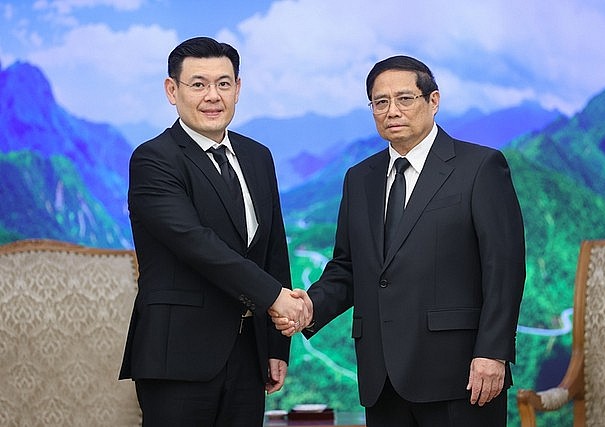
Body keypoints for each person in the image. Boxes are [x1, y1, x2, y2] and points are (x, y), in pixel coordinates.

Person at [273, 55, 526, 426]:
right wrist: (310, 306)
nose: (392, 111)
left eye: (405, 99)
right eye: (380, 102)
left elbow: (504, 269)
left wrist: (493, 353)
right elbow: (347, 268)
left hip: (461, 376)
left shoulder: (480, 167)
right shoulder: (360, 179)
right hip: (382, 378)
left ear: (433, 101)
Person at [119, 37, 309, 426]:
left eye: (223, 83)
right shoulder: (154, 159)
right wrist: (277, 298)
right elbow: (197, 244)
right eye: (198, 84)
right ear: (172, 90)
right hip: (178, 358)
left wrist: (277, 344)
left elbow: (273, 248)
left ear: (238, 89)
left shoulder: (258, 156)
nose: (213, 96)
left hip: (247, 356)